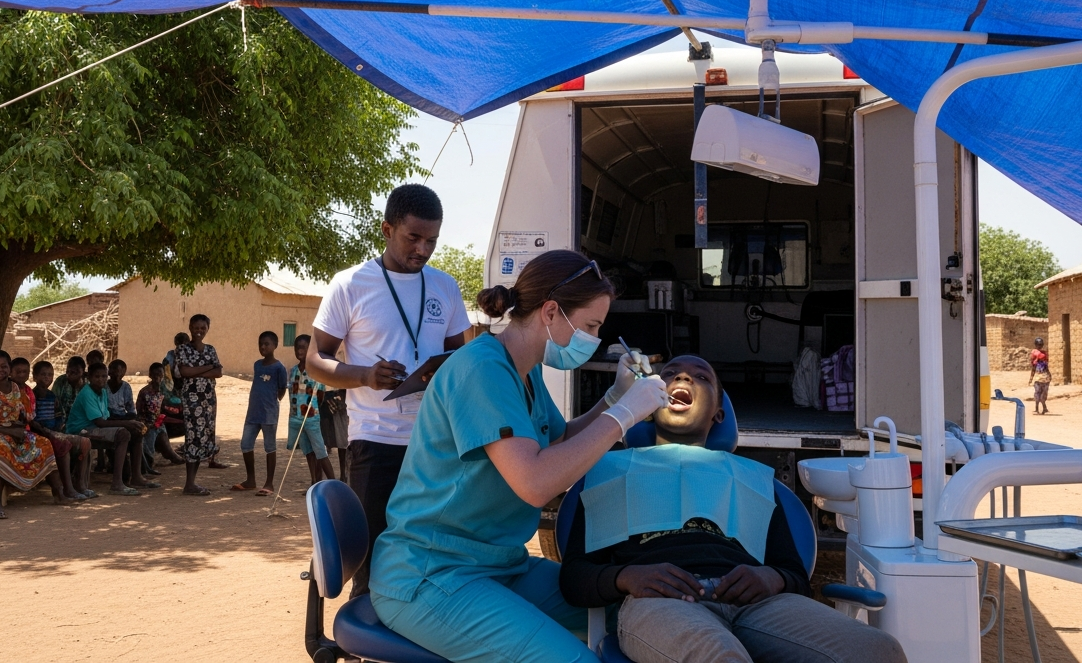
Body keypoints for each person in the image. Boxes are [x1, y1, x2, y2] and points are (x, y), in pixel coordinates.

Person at [367, 250, 667, 661]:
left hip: (500, 565)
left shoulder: (525, 368)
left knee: (637, 616)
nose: (594, 340)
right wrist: (624, 415)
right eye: (591, 326)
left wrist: (614, 398)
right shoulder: (481, 370)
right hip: (432, 573)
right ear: (550, 311)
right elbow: (536, 482)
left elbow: (558, 443)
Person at [560, 355, 907, 663]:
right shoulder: (609, 471)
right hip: (662, 603)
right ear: (648, 403)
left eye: (701, 376)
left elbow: (794, 575)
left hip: (758, 606)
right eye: (671, 374)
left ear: (718, 413)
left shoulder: (752, 480)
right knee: (720, 656)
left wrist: (770, 578)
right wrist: (626, 577)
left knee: (879, 652)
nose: (683, 379)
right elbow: (574, 578)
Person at [308, 184, 473, 595]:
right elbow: (315, 360)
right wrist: (365, 375)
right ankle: (365, 642)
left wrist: (442, 368)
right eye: (412, 238)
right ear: (386, 228)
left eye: (431, 240)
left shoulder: (445, 287)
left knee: (430, 549)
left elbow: (461, 355)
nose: (423, 249)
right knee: (371, 553)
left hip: (435, 440)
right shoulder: (350, 285)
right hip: (375, 439)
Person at [0, 350, 69, 519]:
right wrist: (11, 430)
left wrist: (21, 422)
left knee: (44, 443)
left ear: (9, 368)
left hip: (14, 432)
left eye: (4, 366)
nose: (0, 370)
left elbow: (26, 413)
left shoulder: (16, 387)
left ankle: (58, 492)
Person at [66, 361, 155, 495]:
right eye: (97, 377)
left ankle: (136, 477)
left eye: (104, 376)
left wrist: (131, 422)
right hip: (81, 430)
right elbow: (100, 422)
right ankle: (117, 484)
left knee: (136, 432)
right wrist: (127, 424)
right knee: (123, 434)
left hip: (94, 427)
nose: (101, 380)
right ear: (89, 378)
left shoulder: (102, 392)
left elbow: (106, 417)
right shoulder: (87, 393)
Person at [175, 314, 223, 496]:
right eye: (196, 327)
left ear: (207, 329)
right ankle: (189, 484)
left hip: (208, 399)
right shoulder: (182, 349)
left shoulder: (211, 349)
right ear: (190, 327)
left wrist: (197, 371)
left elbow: (219, 372)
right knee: (193, 437)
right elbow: (185, 371)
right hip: (192, 400)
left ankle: (192, 483)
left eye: (203, 328)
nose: (199, 331)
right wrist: (207, 369)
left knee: (203, 436)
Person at [33, 360, 96, 498]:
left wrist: (58, 428)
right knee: (64, 445)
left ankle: (80, 484)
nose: (47, 378)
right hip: (39, 433)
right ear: (34, 377)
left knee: (85, 443)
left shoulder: (52, 396)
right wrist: (47, 431)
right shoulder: (32, 396)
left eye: (50, 375)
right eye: (43, 374)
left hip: (54, 431)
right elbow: (31, 420)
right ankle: (67, 488)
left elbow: (58, 415)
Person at [237, 331, 288, 495]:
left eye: (267, 344)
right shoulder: (257, 365)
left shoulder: (279, 368)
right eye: (261, 344)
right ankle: (250, 479)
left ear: (275, 345)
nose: (263, 347)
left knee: (270, 447)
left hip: (268, 414)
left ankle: (269, 483)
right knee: (245, 444)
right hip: (252, 413)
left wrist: (271, 402)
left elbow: (281, 390)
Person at [288, 334, 336, 487]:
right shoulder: (293, 370)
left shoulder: (315, 372)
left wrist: (312, 409)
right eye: (297, 347)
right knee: (308, 452)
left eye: (303, 347)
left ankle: (333, 482)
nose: (299, 350)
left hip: (311, 418)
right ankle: (315, 482)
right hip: (296, 417)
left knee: (320, 452)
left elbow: (320, 395)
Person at [137, 362, 185, 474]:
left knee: (163, 437)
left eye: (160, 374)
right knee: (149, 444)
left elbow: (165, 406)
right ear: (150, 375)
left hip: (159, 422)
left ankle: (171, 457)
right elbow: (139, 411)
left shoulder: (163, 392)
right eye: (155, 375)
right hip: (147, 424)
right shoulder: (144, 392)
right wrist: (146, 424)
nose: (157, 377)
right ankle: (147, 466)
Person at [319, 388, 350, 483]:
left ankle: (343, 475)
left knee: (343, 443)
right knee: (322, 445)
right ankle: (320, 479)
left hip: (340, 404)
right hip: (324, 405)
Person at [52, 356, 87, 426]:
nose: (71, 374)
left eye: (75, 372)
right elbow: (55, 401)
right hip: (62, 420)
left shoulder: (87, 384)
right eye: (69, 371)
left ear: (83, 371)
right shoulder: (61, 381)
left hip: (82, 421)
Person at [1029, 337, 1051, 415]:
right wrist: (1031, 378)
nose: (1039, 346)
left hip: (1044, 378)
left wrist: (1031, 379)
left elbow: (1045, 368)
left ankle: (1043, 408)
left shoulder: (1042, 355)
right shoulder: (1039, 356)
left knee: (1041, 394)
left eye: (1040, 345)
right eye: (1038, 345)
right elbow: (1033, 368)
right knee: (1038, 393)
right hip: (1039, 378)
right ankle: (1037, 408)